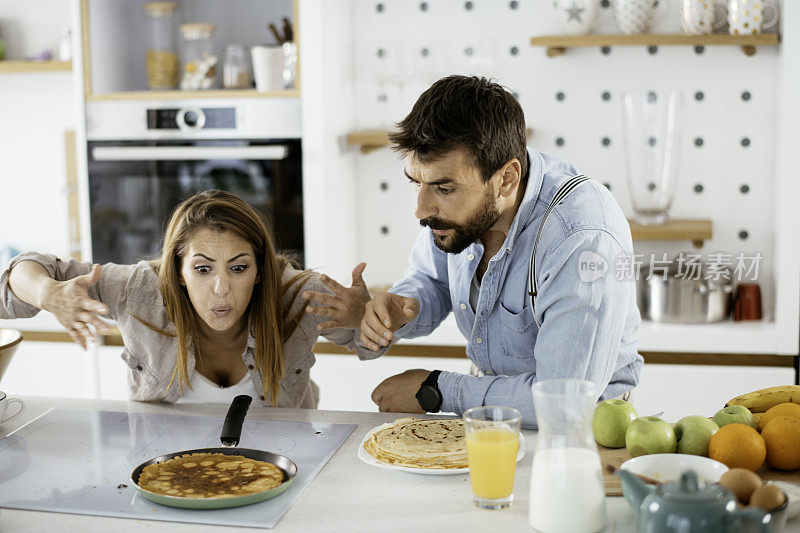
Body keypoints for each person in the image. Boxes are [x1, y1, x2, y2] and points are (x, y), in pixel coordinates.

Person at [311, 75, 642, 427]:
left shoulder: (582, 238)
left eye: (444, 187)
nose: (420, 210)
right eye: (416, 182)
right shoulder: (455, 215)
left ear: (506, 179)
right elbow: (431, 277)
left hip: (585, 433)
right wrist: (403, 308)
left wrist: (435, 389)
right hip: (491, 414)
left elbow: (565, 403)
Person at [0, 190, 371, 406]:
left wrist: (369, 314)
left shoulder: (298, 295)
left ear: (260, 269)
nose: (221, 289)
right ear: (177, 269)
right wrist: (48, 292)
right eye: (203, 269)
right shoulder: (139, 290)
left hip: (285, 467)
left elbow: (377, 337)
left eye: (239, 268)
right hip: (166, 474)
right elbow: (18, 276)